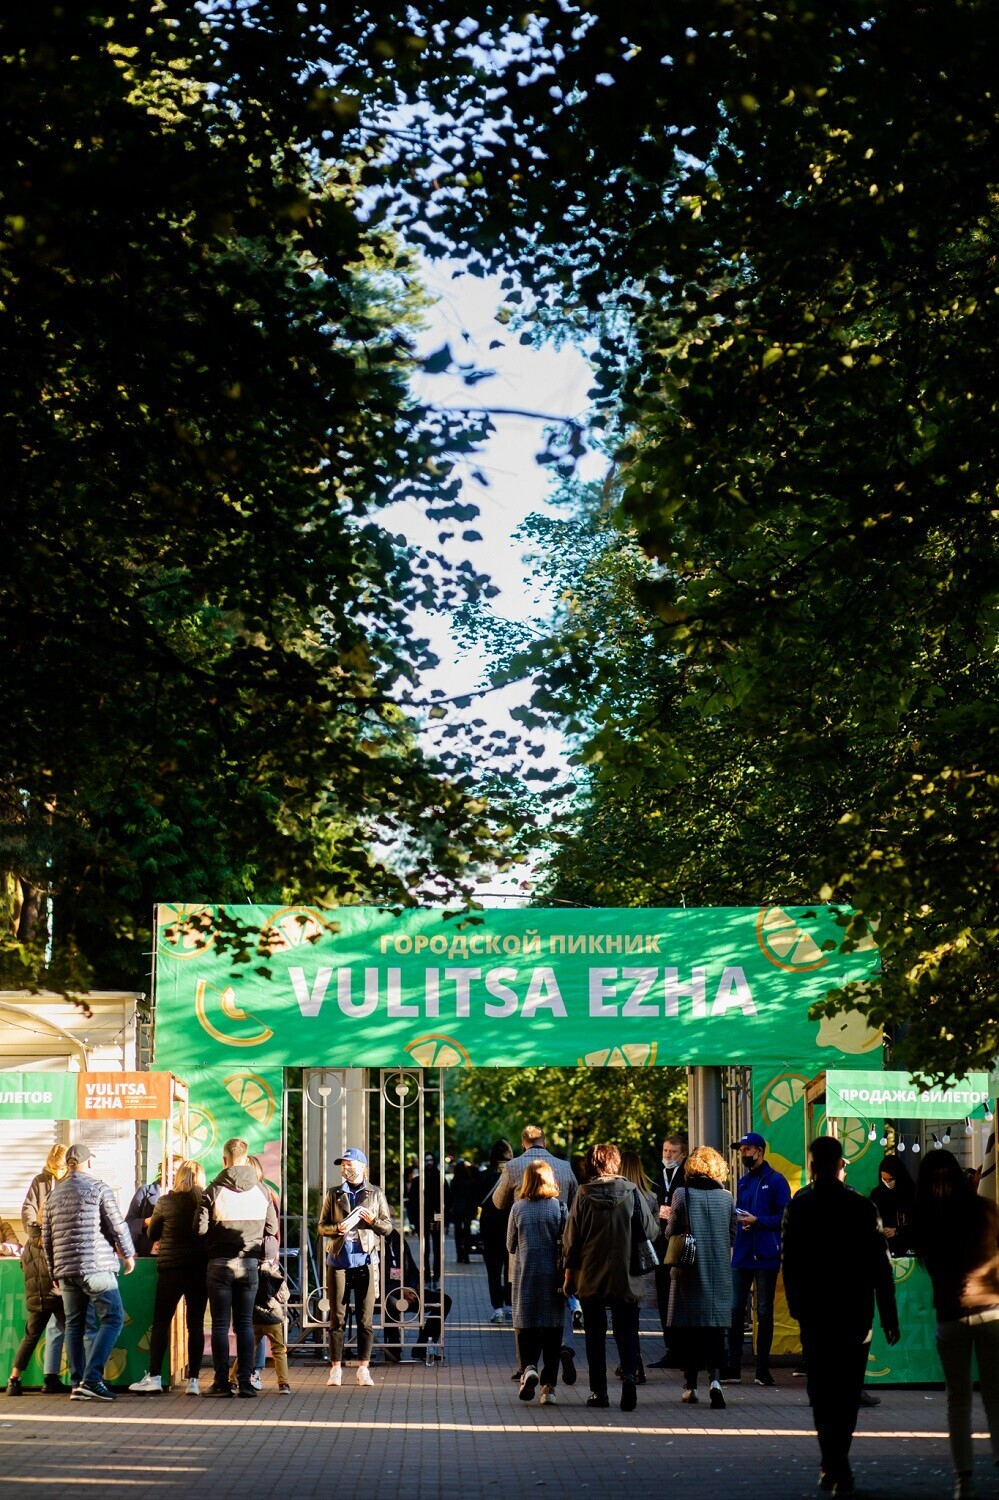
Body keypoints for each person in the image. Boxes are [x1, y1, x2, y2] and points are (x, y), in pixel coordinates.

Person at [782, 1135, 899, 1498]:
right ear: (839, 1166)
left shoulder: (799, 1207)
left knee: (822, 1390)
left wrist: (797, 1307)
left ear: (812, 1166)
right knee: (847, 1392)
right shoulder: (862, 1207)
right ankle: (839, 1461)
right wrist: (889, 1314)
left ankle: (830, 1460)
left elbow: (790, 1263)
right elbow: (881, 1265)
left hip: (815, 1313)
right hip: (855, 1312)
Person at [912, 1148, 999, 1500]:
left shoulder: (926, 1221)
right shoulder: (986, 1210)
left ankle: (964, 1479)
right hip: (991, 1311)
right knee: (995, 1395)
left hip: (950, 1316)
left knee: (958, 1399)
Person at [562, 1141, 659, 1412]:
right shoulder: (633, 1193)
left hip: (590, 1274)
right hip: (627, 1274)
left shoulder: (582, 1195)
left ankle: (598, 1392)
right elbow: (651, 1231)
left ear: (591, 1164)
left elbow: (571, 1240)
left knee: (594, 1335)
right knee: (626, 1331)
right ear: (616, 1163)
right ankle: (629, 1376)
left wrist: (568, 1276)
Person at [41, 1141, 135, 1404]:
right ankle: (92, 1380)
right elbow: (117, 1225)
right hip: (96, 1266)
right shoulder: (99, 1188)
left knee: (74, 1324)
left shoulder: (53, 1196)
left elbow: (47, 1238)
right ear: (89, 1162)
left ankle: (77, 1383)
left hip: (65, 1270)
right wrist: (129, 1254)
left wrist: (53, 1270)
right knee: (113, 1318)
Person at [494, 1125, 579, 1384]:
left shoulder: (513, 1167)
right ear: (545, 1140)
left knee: (524, 1309)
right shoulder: (564, 1166)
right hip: (557, 1258)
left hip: (525, 1253)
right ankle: (564, 1346)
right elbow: (575, 1201)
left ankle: (525, 1365)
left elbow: (498, 1202)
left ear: (523, 1143)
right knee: (559, 1305)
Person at [197, 1136, 278, 1399]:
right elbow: (272, 1228)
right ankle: (245, 1382)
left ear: (225, 1160)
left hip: (219, 1264)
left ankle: (221, 1383)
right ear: (246, 1158)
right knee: (244, 1324)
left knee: (220, 1325)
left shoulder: (213, 1190)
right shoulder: (262, 1191)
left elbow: (199, 1229)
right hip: (250, 1264)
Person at [665, 1145, 737, 1409]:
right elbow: (732, 1233)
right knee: (716, 1329)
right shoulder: (727, 1197)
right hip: (718, 1270)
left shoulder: (682, 1194)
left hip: (690, 1269)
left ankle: (691, 1385)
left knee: (690, 1329)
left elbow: (671, 1231)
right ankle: (715, 1382)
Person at [128, 1160, 207, 1395]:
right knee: (196, 1325)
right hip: (198, 1269)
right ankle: (193, 1381)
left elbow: (153, 1233)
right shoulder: (206, 1202)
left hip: (171, 1268)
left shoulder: (165, 1202)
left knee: (161, 1322)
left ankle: (154, 1376)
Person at [318, 1147, 392, 1389]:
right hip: (339, 1261)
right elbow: (321, 1226)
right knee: (337, 1318)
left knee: (365, 1318)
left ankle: (363, 1368)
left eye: (349, 1164)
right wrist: (336, 1229)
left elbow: (387, 1227)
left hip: (366, 1260)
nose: (345, 1168)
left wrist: (373, 1221)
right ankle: (335, 1369)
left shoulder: (375, 1193)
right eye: (343, 1165)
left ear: (362, 1167)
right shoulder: (334, 1193)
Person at [725, 1130, 791, 1386]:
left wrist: (758, 1221)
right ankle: (733, 1367)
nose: (743, 1154)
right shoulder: (743, 1182)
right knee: (735, 1310)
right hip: (742, 1254)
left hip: (766, 1255)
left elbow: (785, 1217)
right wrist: (741, 1220)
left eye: (746, 1150)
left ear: (760, 1151)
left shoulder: (776, 1180)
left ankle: (762, 1369)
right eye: (741, 1150)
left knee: (764, 1311)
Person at [6, 1145, 72, 1395]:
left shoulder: (30, 1246)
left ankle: (14, 1379)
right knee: (74, 1330)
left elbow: (25, 1264)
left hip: (36, 1294)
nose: (57, 1172)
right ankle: (82, 1379)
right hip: (56, 1291)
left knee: (31, 1335)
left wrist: (35, 1236)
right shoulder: (52, 1240)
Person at [507, 1160, 567, 1406]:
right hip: (554, 1276)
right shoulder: (559, 1207)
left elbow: (510, 1245)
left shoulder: (518, 1208)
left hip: (526, 1274)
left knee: (526, 1324)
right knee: (553, 1330)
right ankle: (548, 1387)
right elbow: (568, 1242)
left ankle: (529, 1367)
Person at [619, 1150, 660, 1384]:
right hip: (643, 1263)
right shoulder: (651, 1197)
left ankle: (633, 1363)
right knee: (633, 1316)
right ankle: (632, 1361)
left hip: (622, 1262)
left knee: (624, 1318)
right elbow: (654, 1232)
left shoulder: (619, 1195)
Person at [649, 1134, 687, 1369]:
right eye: (665, 1151)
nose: (668, 1155)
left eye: (672, 1152)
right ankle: (670, 1348)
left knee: (680, 1296)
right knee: (664, 1296)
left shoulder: (686, 1177)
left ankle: (683, 1348)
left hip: (680, 1242)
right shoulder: (658, 1177)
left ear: (683, 1154)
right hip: (662, 1244)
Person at [478, 1139, 514, 1323]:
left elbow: (476, 1200)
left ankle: (497, 1309)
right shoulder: (516, 1175)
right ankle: (510, 1306)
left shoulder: (483, 1176)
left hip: (490, 1229)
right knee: (510, 1269)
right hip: (511, 1227)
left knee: (493, 1270)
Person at [407, 1151, 449, 1287]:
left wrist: (445, 1218)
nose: (428, 1163)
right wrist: (413, 1220)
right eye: (426, 1160)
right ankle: (426, 1278)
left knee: (437, 1250)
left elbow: (448, 1200)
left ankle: (436, 1278)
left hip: (437, 1218)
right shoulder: (418, 1181)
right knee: (424, 1250)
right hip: (422, 1218)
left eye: (430, 1160)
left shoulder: (440, 1179)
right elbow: (412, 1202)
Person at [869, 1153, 915, 1255]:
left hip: (907, 1248)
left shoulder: (911, 1193)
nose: (887, 1182)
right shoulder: (877, 1194)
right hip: (882, 1248)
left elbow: (917, 1222)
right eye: (884, 1179)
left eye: (890, 1179)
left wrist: (897, 1230)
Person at [450, 1159, 478, 1264]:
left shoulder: (453, 1182)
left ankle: (459, 1255)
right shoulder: (471, 1183)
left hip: (457, 1209)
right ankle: (466, 1255)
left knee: (457, 1233)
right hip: (467, 1210)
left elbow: (451, 1196)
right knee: (467, 1232)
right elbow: (474, 1197)